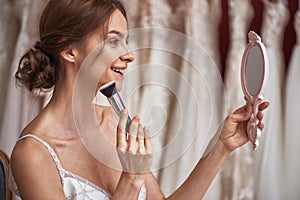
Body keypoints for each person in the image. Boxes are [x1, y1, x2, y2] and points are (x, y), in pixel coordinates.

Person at [10, 0, 269, 199]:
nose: (129, 55)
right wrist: (131, 180)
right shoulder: (32, 155)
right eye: (113, 41)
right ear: (69, 50)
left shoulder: (112, 122)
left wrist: (221, 146)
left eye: (126, 41)